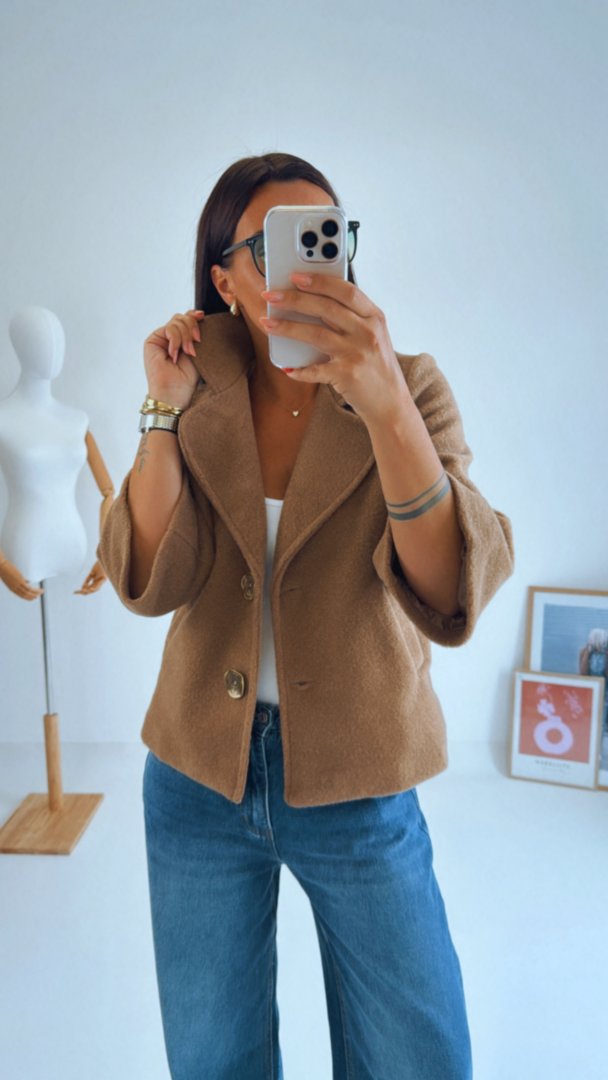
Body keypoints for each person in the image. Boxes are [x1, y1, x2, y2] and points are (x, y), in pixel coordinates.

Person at [97, 152, 514, 1079]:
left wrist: (384, 404)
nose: (311, 263)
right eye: (274, 244)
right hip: (198, 778)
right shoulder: (197, 385)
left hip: (360, 780)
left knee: (418, 1057)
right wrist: (161, 410)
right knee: (214, 1059)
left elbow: (451, 592)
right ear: (225, 281)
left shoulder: (407, 384)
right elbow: (148, 579)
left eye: (327, 235)